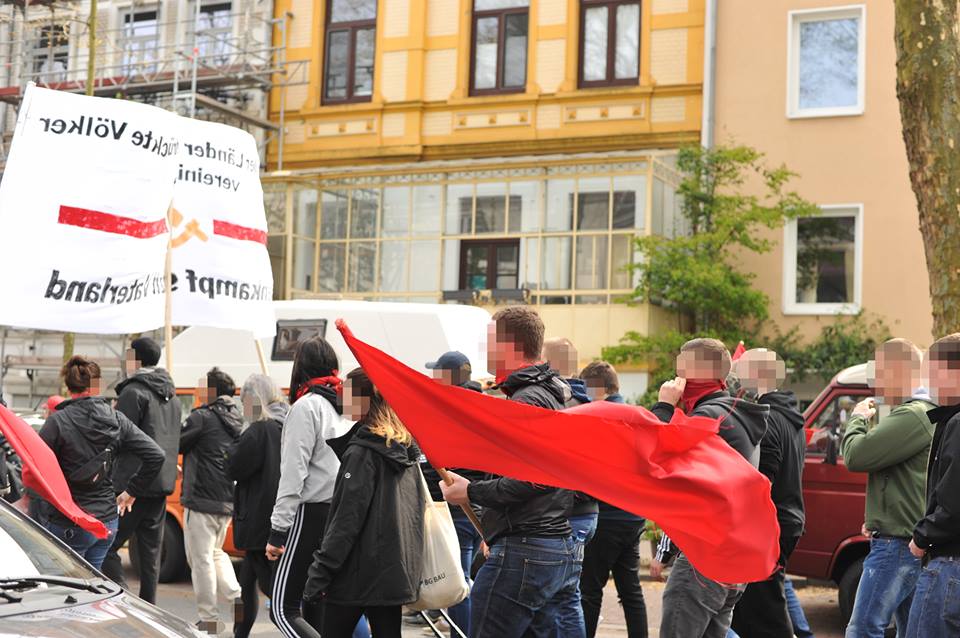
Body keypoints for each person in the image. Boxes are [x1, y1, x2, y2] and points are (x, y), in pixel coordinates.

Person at [441, 306, 578, 638]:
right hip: (545, 546)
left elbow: (537, 478)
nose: (484, 349)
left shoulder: (527, 400)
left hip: (526, 550)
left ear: (509, 345)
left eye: (489, 340)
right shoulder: (547, 394)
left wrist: (471, 492)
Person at [650, 338, 768, 638]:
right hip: (730, 557)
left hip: (705, 556)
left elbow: (657, 461)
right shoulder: (732, 413)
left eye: (681, 367)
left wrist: (664, 406)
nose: (675, 376)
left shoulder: (709, 418)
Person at [303, 368, 425, 638]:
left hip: (356, 575)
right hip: (393, 571)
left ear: (363, 399)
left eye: (345, 392)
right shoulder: (404, 449)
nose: (340, 398)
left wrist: (320, 572)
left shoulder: (362, 452)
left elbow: (346, 520)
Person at [836, 339, 933, 638]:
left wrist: (856, 420)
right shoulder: (924, 412)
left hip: (896, 544)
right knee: (910, 630)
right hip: (906, 538)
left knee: (863, 628)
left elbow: (855, 455)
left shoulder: (913, 415)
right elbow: (900, 476)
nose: (875, 384)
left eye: (879, 373)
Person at [38, 355, 164, 570]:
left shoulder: (57, 421)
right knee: (91, 585)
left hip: (69, 519)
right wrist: (131, 491)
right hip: (106, 521)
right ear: (97, 386)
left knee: (62, 589)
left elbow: (36, 465)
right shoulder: (117, 418)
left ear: (68, 387)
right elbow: (156, 454)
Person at [267, 336, 354, 638]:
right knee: (315, 603)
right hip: (339, 514)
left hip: (310, 514)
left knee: (282, 609)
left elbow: (293, 475)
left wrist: (278, 531)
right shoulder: (346, 406)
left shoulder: (306, 407)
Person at [729, 349, 807, 638]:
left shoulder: (767, 418)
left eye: (740, 370)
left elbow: (762, 481)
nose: (735, 377)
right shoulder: (790, 416)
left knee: (762, 614)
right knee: (762, 607)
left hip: (768, 526)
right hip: (788, 520)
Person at [101, 337, 182, 604]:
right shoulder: (173, 396)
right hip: (161, 483)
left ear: (136, 359)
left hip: (130, 486)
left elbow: (119, 438)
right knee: (150, 555)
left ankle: (125, 603)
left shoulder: (132, 392)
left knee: (106, 546)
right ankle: (149, 610)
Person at [578, 361, 648, 638]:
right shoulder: (636, 415)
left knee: (590, 590)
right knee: (631, 591)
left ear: (596, 387)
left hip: (605, 515)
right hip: (633, 516)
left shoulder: (598, 416)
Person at [423, 351, 485, 638]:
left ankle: (462, 634)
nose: (433, 377)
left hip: (456, 507)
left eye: (437, 372)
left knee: (458, 584)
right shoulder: (481, 403)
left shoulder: (449, 407)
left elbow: (439, 462)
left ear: (449, 376)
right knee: (469, 580)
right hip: (481, 504)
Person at [180, 367, 244, 635]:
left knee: (201, 559)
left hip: (201, 499)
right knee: (216, 553)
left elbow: (177, 444)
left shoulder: (202, 418)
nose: (197, 392)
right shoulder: (238, 418)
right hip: (226, 499)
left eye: (201, 387)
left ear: (211, 391)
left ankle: (209, 619)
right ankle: (237, 599)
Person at [906, 334, 960, 638]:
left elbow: (953, 502)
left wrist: (923, 536)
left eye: (933, 372)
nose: (928, 382)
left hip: (950, 565)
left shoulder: (957, 422)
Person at [542, 337, 596, 638]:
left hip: (569, 513)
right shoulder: (587, 402)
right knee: (565, 594)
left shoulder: (560, 404)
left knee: (561, 597)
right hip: (584, 512)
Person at [227, 375, 289, 638]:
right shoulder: (287, 423)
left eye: (244, 402)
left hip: (257, 520)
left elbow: (234, 465)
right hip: (279, 516)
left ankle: (297, 631)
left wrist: (232, 445)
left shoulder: (258, 429)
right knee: (246, 585)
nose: (243, 408)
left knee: (274, 593)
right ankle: (239, 633)